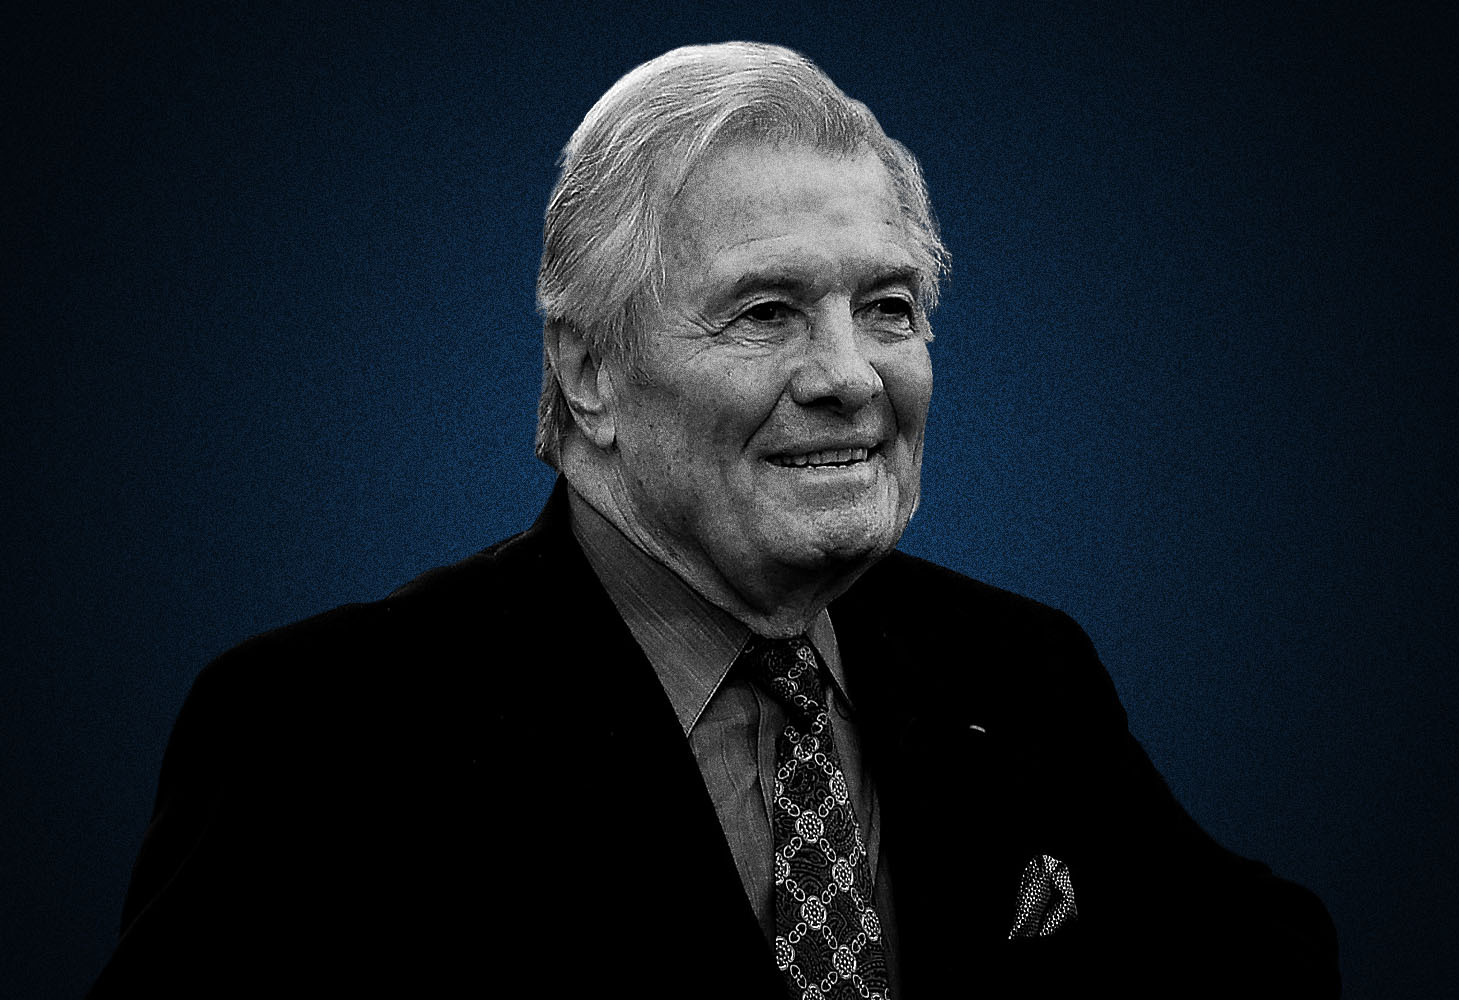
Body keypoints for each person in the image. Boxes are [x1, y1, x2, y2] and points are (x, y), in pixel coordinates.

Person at [90, 42, 1338, 998]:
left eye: (889, 308)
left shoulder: (1020, 669)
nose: (850, 375)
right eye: (766, 312)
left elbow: (1270, 956)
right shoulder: (320, 732)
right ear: (589, 370)